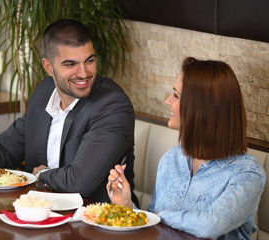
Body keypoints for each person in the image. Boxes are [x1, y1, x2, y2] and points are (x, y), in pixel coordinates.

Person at [0, 19, 139, 205]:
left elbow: (80, 181)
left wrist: (43, 175)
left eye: (89, 61)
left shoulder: (113, 106)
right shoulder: (44, 92)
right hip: (36, 213)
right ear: (48, 68)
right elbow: (6, 150)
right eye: (70, 64)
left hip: (95, 223)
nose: (84, 73)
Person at [107, 57, 266, 239]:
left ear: (200, 107)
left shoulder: (247, 173)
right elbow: (153, 230)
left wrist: (159, 217)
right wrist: (126, 205)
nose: (168, 101)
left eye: (176, 95)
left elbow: (210, 225)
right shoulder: (171, 159)